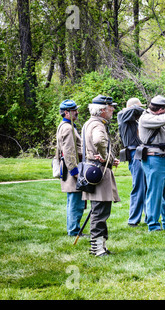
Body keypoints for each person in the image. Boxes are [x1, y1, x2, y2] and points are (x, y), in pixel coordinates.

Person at [82, 95, 121, 257]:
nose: (113, 110)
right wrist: (105, 156)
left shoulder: (89, 122)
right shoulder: (98, 125)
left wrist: (109, 157)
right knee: (100, 212)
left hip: (93, 169)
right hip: (99, 172)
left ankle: (100, 247)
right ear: (103, 109)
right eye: (111, 107)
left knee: (99, 210)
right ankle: (97, 249)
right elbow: (99, 141)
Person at [138, 95, 165, 232]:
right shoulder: (146, 118)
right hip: (154, 158)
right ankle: (153, 224)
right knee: (155, 193)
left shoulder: (160, 117)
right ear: (160, 109)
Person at [56, 99, 86, 237]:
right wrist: (76, 172)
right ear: (66, 113)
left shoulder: (67, 125)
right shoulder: (67, 128)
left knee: (73, 201)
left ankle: (73, 229)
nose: (77, 112)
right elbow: (69, 152)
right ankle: (74, 231)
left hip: (69, 168)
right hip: (72, 169)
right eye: (74, 110)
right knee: (76, 203)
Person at [117, 97, 147, 227]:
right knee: (139, 187)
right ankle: (133, 219)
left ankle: (148, 217)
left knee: (145, 187)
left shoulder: (131, 119)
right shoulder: (122, 115)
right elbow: (135, 110)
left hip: (139, 153)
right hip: (135, 154)